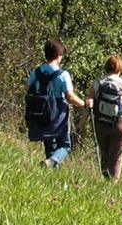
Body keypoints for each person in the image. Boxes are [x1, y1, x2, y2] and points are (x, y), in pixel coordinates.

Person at [26, 39, 91, 168]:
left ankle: (50, 168)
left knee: (50, 145)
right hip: (59, 113)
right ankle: (52, 161)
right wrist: (84, 103)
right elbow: (70, 97)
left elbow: (29, 89)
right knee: (65, 145)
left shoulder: (36, 72)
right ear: (58, 55)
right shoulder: (62, 75)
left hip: (42, 112)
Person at [87, 55, 122, 181]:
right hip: (119, 124)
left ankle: (104, 181)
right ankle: (112, 183)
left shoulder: (98, 83)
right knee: (116, 158)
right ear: (120, 68)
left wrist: (82, 123)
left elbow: (89, 103)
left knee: (104, 154)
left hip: (100, 123)